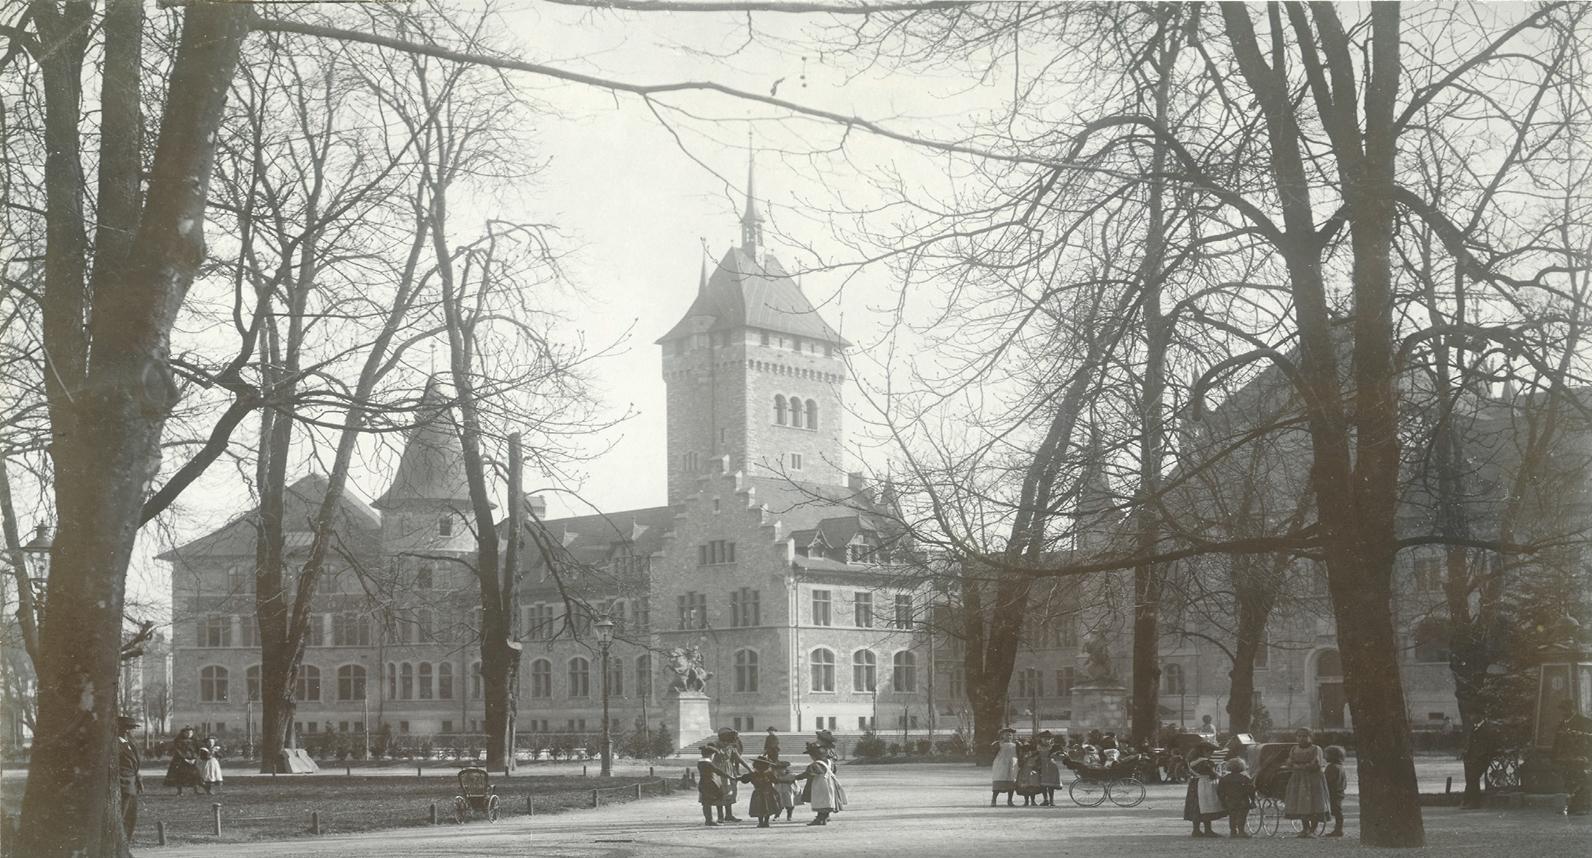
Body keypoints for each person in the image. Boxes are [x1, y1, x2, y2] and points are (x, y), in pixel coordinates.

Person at [1283, 728, 1330, 837]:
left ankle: (1313, 829)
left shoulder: (1315, 749)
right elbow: (1289, 762)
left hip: (1313, 779)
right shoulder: (1294, 749)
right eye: (1299, 736)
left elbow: (1315, 764)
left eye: (1304, 736)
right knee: (1300, 803)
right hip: (1298, 779)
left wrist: (1299, 766)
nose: (1301, 738)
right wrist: (1293, 765)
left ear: (1310, 737)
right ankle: (1305, 828)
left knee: (1314, 803)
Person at [1553, 699, 1592, 816]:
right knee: (1569, 781)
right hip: (1566, 758)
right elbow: (1557, 742)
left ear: (1572, 709)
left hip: (1581, 757)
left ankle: (1581, 807)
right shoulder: (1562, 723)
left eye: (1565, 710)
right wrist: (1555, 756)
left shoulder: (1585, 721)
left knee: (1580, 781)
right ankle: (1573, 806)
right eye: (1562, 710)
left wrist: (1580, 736)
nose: (1563, 713)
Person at [794, 741, 844, 825]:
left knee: (820, 800)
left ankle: (820, 818)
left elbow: (809, 773)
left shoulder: (816, 764)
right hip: (830, 783)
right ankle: (824, 817)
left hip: (820, 784)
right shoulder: (829, 762)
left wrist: (796, 777)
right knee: (827, 800)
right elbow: (834, 771)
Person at [1182, 740, 1223, 837]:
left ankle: (1196, 830)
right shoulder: (1204, 762)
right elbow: (1212, 773)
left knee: (1197, 808)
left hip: (1194, 784)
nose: (1211, 754)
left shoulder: (1191, 761)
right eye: (1210, 751)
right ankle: (1208, 830)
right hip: (1204, 785)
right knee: (1206, 807)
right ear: (1203, 751)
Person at [116, 716, 143, 843]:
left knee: (131, 816)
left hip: (132, 784)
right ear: (125, 730)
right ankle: (120, 842)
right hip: (124, 784)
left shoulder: (129, 743)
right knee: (122, 815)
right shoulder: (116, 744)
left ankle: (126, 841)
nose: (134, 731)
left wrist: (138, 779)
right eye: (133, 729)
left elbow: (135, 764)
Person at [738, 755, 782, 827]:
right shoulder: (769, 774)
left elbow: (744, 780)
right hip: (768, 792)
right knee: (768, 807)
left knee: (759, 808)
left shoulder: (753, 774)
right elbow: (776, 781)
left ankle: (761, 822)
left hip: (758, 793)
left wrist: (737, 778)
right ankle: (766, 822)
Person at [713, 728, 747, 822]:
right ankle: (720, 816)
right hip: (718, 770)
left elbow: (739, 759)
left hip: (729, 769)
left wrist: (749, 769)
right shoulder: (716, 746)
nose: (729, 744)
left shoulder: (730, 746)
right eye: (728, 742)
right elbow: (710, 757)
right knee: (719, 792)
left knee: (729, 791)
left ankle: (729, 815)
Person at [1218, 757, 1255, 839]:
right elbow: (1251, 790)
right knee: (1242, 816)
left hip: (1230, 800)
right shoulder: (1245, 778)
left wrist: (1222, 801)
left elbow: (1220, 791)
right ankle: (1241, 831)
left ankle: (1233, 831)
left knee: (1232, 816)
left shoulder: (1224, 779)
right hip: (1243, 800)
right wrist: (1252, 800)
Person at [695, 746, 731, 826]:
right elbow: (718, 771)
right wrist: (729, 776)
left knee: (705, 802)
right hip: (710, 783)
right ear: (710, 754)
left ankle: (708, 819)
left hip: (703, 783)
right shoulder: (707, 763)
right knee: (710, 801)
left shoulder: (700, 762)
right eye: (713, 755)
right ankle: (710, 820)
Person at [164, 726, 202, 795]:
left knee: (195, 775)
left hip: (192, 760)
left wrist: (194, 758)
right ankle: (179, 791)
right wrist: (185, 759)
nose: (189, 734)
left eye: (191, 732)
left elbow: (198, 751)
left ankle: (196, 790)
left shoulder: (195, 741)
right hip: (180, 761)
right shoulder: (178, 741)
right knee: (180, 775)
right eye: (187, 733)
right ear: (183, 733)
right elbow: (178, 751)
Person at [1323, 745, 1348, 837]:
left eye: (1327, 755)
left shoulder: (1332, 767)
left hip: (1333, 792)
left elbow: (1328, 780)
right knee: (1337, 810)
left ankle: (1338, 829)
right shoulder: (1340, 767)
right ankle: (1338, 829)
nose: (1325, 757)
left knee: (1336, 811)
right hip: (1339, 792)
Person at [990, 727, 1019, 806]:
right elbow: (992, 753)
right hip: (1001, 765)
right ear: (1002, 735)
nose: (1008, 737)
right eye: (1006, 735)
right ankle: (994, 800)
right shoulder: (998, 744)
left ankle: (1010, 801)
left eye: (1010, 735)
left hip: (1012, 764)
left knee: (1011, 782)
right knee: (999, 782)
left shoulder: (1016, 745)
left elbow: (1020, 753)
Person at [1037, 731, 1063, 807]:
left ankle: (1051, 800)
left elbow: (1061, 753)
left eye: (1048, 739)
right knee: (1042, 784)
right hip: (1041, 765)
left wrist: (1058, 754)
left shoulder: (1053, 747)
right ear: (1041, 739)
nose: (1046, 740)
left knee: (1051, 784)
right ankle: (1045, 800)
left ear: (1051, 739)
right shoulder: (1038, 747)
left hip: (1051, 766)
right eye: (1044, 738)